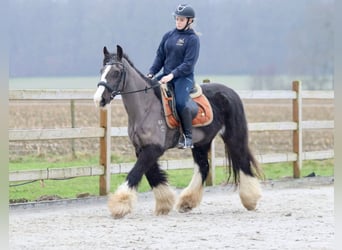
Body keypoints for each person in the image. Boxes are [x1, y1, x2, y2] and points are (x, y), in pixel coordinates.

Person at [147, 3, 200, 149]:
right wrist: (151, 72)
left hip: (184, 77)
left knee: (181, 103)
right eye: (177, 19)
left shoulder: (193, 39)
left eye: (182, 19)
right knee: (147, 91)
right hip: (166, 74)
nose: (178, 22)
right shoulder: (168, 36)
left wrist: (172, 75)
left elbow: (188, 64)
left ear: (190, 21)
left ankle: (188, 137)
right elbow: (160, 57)